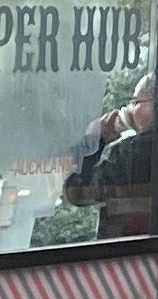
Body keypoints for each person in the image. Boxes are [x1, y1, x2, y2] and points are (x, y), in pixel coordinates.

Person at [60, 70, 155, 238]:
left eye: (136, 102)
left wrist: (96, 140)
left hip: (129, 253)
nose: (130, 109)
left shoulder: (130, 152)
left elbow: (76, 192)